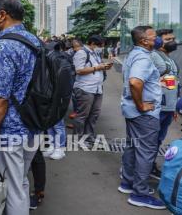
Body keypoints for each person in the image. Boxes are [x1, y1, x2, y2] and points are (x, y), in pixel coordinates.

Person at [0, 0, 40, 214]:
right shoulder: (33, 40)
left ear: (2, 15)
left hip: (10, 131)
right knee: (21, 182)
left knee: (11, 187)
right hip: (33, 125)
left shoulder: (3, 47)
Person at [119, 26, 166, 210]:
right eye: (155, 37)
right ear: (144, 41)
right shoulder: (143, 58)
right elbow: (135, 82)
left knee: (132, 146)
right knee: (146, 151)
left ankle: (127, 183)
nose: (158, 40)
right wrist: (142, 105)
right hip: (143, 114)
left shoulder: (133, 54)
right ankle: (139, 193)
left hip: (132, 112)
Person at [149, 29, 179, 179]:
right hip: (157, 106)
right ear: (159, 42)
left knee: (158, 139)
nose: (173, 41)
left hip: (168, 107)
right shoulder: (154, 56)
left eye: (173, 38)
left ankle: (149, 165)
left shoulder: (170, 60)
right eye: (168, 39)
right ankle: (139, 168)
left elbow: (172, 84)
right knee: (150, 139)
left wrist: (173, 106)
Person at [72, 35, 112, 146]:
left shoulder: (95, 53)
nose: (101, 48)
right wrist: (97, 68)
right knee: (82, 115)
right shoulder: (82, 53)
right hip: (85, 88)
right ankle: (78, 140)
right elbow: (78, 70)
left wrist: (104, 67)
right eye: (100, 46)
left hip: (97, 88)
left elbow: (97, 67)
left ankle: (89, 137)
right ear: (93, 44)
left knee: (94, 114)